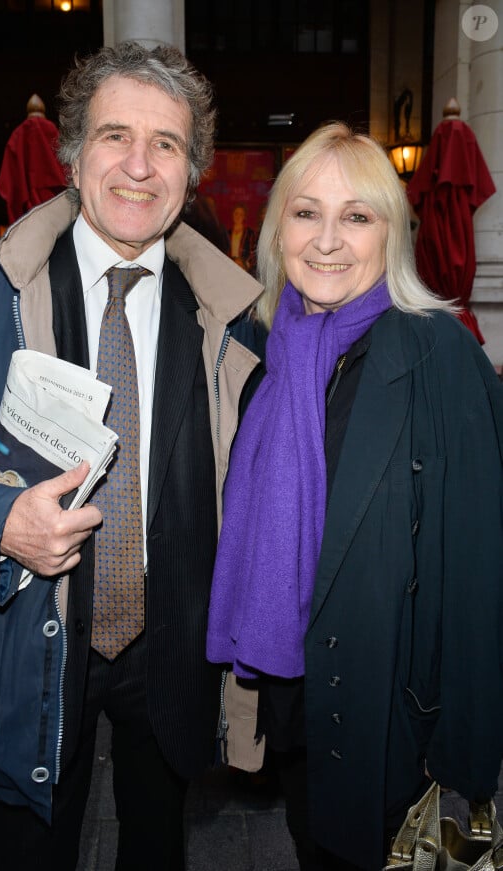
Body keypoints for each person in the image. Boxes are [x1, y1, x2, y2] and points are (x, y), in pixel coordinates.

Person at [0, 42, 264, 870]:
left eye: (167, 145)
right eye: (115, 136)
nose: (139, 166)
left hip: (171, 644)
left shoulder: (234, 325)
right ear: (73, 157)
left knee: (157, 849)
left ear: (193, 174)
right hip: (27, 639)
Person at [206, 122, 503, 870]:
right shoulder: (269, 349)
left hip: (395, 721)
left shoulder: (441, 353)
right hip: (297, 697)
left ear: (390, 235)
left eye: (357, 216)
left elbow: (479, 570)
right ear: (279, 230)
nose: (328, 239)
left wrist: (464, 758)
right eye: (306, 212)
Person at [228, 202, 257, 274]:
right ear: (233, 215)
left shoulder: (250, 233)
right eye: (236, 213)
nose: (238, 216)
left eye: (241, 214)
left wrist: (245, 264)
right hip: (228, 266)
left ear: (244, 217)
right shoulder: (227, 233)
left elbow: (254, 252)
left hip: (244, 270)